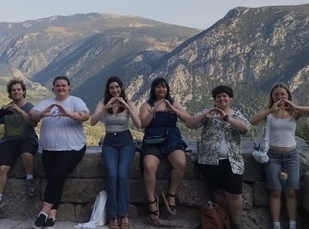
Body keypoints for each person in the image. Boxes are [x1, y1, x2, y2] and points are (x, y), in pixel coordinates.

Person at [250, 83, 309, 229]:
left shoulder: (294, 112)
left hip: (291, 155)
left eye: (283, 94)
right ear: (272, 96)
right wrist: (270, 110)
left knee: (291, 191)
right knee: (275, 191)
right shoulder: (268, 112)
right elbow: (253, 121)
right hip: (272, 156)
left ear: (288, 95)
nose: (280, 97)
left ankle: (292, 224)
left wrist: (295, 107)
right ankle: (276, 225)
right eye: (276, 94)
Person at [185, 85, 250, 229]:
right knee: (218, 193)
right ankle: (223, 221)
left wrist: (226, 118)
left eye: (225, 96)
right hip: (209, 161)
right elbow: (189, 124)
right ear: (215, 99)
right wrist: (204, 115)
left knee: (235, 195)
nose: (222, 98)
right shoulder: (208, 113)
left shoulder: (236, 114)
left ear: (230, 99)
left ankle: (236, 224)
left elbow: (245, 128)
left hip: (232, 161)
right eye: (219, 96)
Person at [30, 76, 90, 229]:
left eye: (63, 85)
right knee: (54, 179)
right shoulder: (46, 103)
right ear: (53, 88)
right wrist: (41, 114)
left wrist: (68, 113)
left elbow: (85, 115)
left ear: (69, 87)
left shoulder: (75, 101)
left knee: (56, 175)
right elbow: (32, 114)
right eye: (57, 86)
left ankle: (43, 211)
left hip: (72, 148)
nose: (61, 88)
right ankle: (52, 214)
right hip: (49, 149)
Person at [90, 76, 141, 229]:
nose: (115, 90)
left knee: (122, 175)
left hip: (126, 141)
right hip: (110, 142)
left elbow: (138, 124)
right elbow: (92, 122)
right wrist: (105, 109)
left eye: (117, 87)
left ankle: (123, 215)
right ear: (108, 90)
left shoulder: (129, 103)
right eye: (112, 88)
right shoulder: (103, 103)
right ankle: (112, 216)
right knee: (112, 175)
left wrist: (126, 105)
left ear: (122, 88)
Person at [138, 77, 190, 223]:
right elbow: (142, 124)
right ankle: (151, 200)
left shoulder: (173, 103)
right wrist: (153, 111)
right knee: (149, 166)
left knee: (180, 163)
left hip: (172, 139)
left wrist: (173, 110)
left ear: (167, 89)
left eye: (164, 87)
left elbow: (188, 119)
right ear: (153, 90)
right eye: (158, 87)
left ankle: (171, 195)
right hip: (153, 140)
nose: (161, 89)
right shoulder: (147, 105)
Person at [0, 78, 39, 217]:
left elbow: (34, 123)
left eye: (18, 89)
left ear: (23, 92)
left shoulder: (29, 106)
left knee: (27, 155)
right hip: (9, 141)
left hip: (27, 138)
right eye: (13, 90)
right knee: (2, 168)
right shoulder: (6, 108)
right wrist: (1, 112)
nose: (16, 92)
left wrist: (19, 110)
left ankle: (30, 179)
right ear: (10, 93)